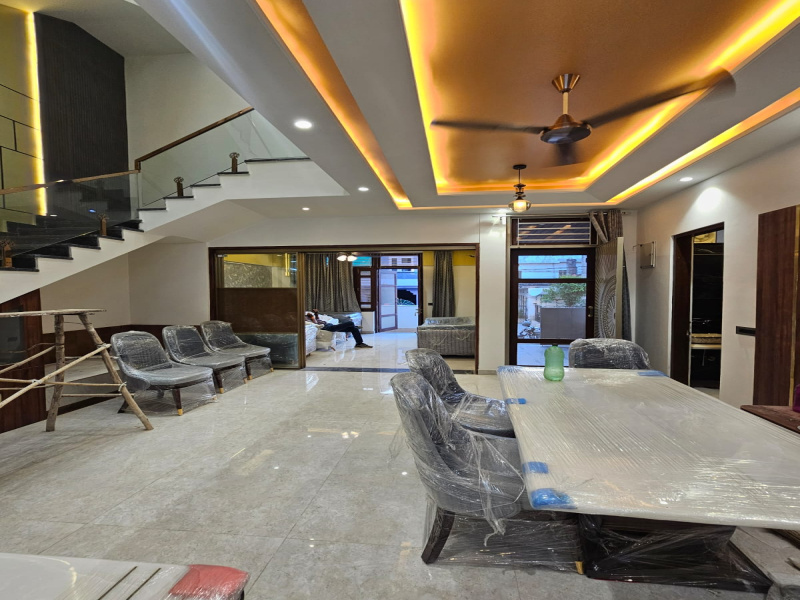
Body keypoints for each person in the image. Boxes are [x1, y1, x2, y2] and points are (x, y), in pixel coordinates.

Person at [305, 310, 372, 348]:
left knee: (354, 329)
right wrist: (312, 317)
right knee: (351, 323)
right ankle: (355, 326)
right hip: (328, 328)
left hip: (330, 325)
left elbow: (317, 319)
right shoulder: (306, 319)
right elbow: (315, 323)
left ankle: (359, 343)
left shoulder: (310, 317)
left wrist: (316, 313)